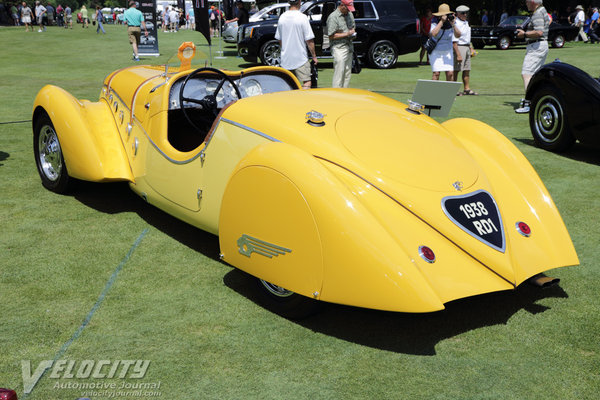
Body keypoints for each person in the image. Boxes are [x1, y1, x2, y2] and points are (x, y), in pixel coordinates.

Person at [515, 0, 550, 113]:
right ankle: (537, 100)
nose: (526, 4)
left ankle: (529, 103)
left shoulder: (537, 13)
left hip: (536, 45)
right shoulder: (541, 11)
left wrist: (524, 34)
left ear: (533, 2)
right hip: (540, 45)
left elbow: (539, 32)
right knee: (534, 75)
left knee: (526, 74)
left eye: (527, 2)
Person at [275, 0, 317, 89]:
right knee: (307, 82)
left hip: (286, 59)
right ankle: (303, 101)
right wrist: (314, 56)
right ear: (299, 2)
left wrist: (285, 49)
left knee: (288, 84)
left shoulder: (282, 17)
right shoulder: (302, 17)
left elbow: (280, 39)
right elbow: (309, 40)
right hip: (300, 58)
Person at [327, 0, 355, 88]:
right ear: (342, 5)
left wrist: (352, 34)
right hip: (338, 48)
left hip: (349, 47)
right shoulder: (333, 17)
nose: (349, 11)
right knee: (339, 73)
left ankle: (344, 94)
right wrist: (346, 34)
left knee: (347, 73)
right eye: (348, 8)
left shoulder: (350, 14)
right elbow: (331, 35)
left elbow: (352, 28)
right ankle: (336, 95)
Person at [429, 3, 461, 81]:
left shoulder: (451, 22)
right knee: (436, 73)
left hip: (448, 51)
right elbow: (433, 34)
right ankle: (434, 92)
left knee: (450, 73)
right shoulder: (435, 21)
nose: (445, 16)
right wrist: (441, 22)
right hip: (436, 51)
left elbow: (458, 35)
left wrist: (453, 24)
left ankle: (448, 92)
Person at [453, 5, 477, 95]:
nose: (465, 14)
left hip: (466, 46)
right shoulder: (456, 23)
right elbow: (454, 40)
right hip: (459, 46)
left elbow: (467, 37)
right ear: (458, 14)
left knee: (467, 69)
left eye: (466, 12)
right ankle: (453, 89)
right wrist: (458, 54)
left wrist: (471, 47)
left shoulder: (466, 22)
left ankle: (467, 89)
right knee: (456, 70)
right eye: (463, 13)